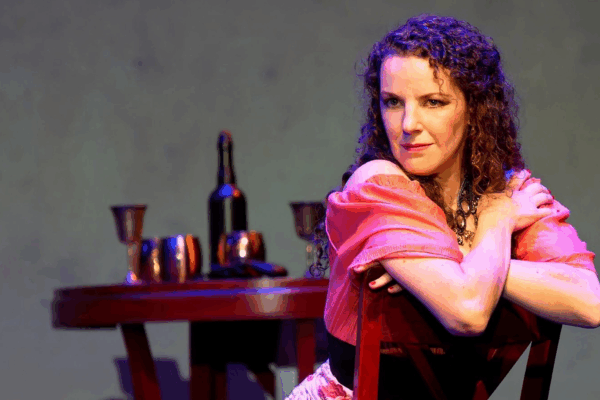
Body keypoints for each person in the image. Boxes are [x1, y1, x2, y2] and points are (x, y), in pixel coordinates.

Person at [286, 14, 600, 400]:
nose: (408, 124)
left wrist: (466, 258)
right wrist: (497, 222)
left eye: (433, 102)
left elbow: (590, 302)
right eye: (392, 102)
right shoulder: (377, 185)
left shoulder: (512, 191)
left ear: (474, 110)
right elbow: (467, 311)